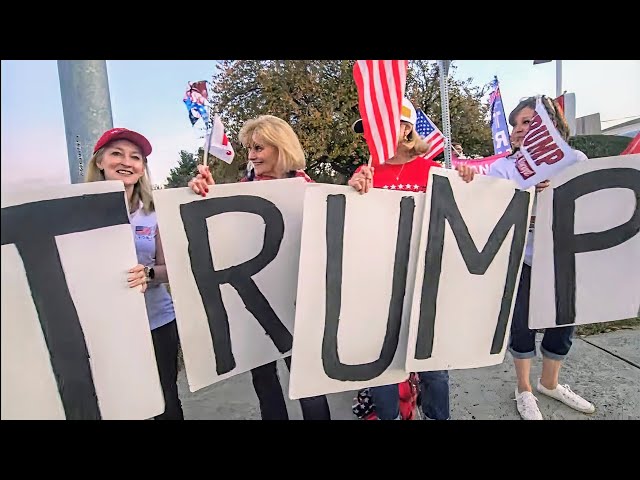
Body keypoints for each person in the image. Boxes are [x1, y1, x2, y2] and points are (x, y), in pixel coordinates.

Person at [457, 95, 594, 420]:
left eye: (527, 122)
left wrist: (556, 189)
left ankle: (549, 382)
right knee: (521, 324)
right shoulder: (502, 167)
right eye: (515, 124)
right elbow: (483, 200)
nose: (518, 130)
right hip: (521, 259)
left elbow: (588, 205)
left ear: (550, 126)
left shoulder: (575, 160)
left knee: (563, 322)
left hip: (562, 258)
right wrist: (467, 178)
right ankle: (524, 389)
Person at [188, 114, 331, 420]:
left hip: (297, 303)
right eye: (249, 148)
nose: (251, 155)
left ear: (281, 148)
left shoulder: (310, 189)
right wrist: (203, 194)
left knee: (307, 383)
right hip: (253, 304)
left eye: (259, 148)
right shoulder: (240, 189)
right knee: (264, 382)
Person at [348, 98, 474, 420]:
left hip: (428, 288)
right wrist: (352, 196)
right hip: (381, 291)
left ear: (405, 129)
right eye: (367, 131)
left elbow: (463, 223)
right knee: (383, 369)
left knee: (434, 371)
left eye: (379, 127)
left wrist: (469, 183)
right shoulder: (365, 174)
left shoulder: (434, 172)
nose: (369, 136)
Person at [85, 127, 184, 420]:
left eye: (135, 157)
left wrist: (149, 273)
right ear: (100, 161)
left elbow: (172, 268)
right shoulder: (77, 213)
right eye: (117, 153)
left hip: (157, 323)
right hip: (106, 328)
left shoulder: (154, 211)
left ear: (142, 168)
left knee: (166, 399)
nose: (126, 161)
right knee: (122, 402)